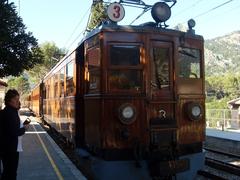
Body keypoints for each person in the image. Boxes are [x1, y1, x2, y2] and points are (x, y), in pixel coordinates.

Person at [0, 89, 29, 180]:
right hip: (10, 148)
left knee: (7, 171)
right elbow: (14, 132)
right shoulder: (10, 113)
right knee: (11, 173)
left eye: (18, 99)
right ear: (10, 100)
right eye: (16, 99)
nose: (18, 101)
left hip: (6, 147)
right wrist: (24, 128)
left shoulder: (8, 111)